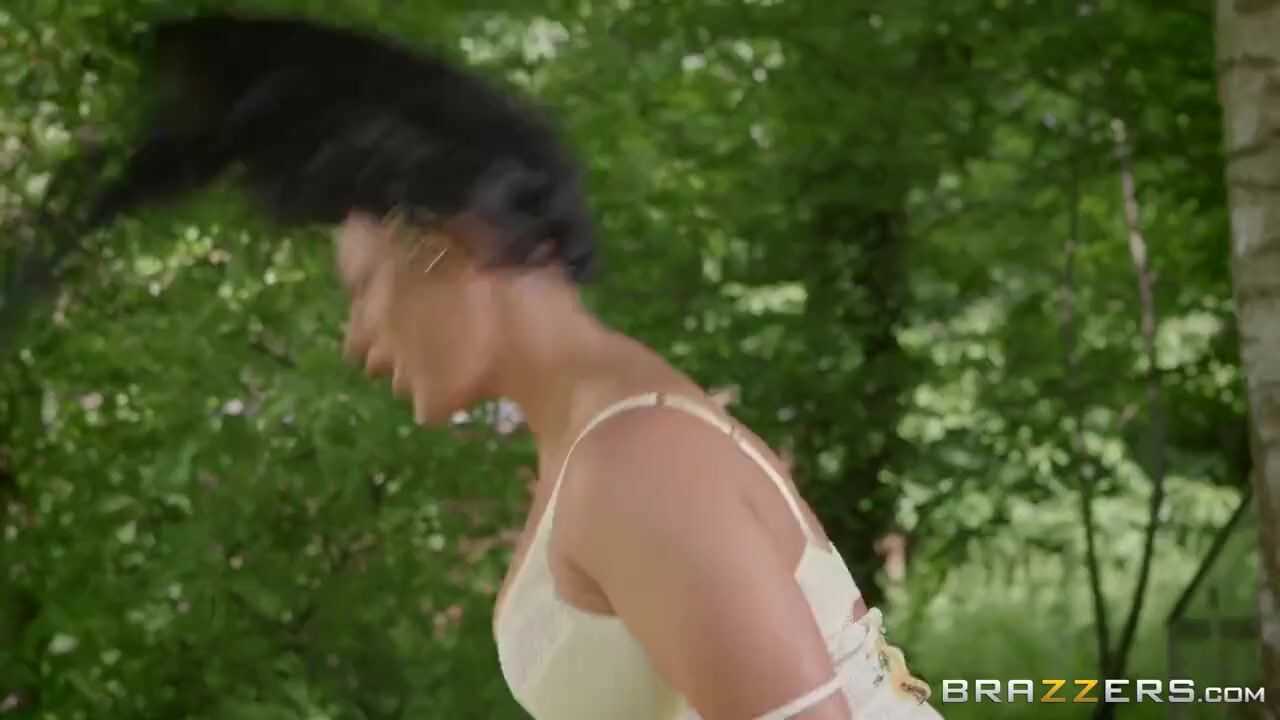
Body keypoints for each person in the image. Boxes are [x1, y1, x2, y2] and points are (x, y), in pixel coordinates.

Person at [99, 13, 942, 720]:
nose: (356, 338)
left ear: (450, 247)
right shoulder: (599, 444)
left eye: (362, 290)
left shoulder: (637, 458)